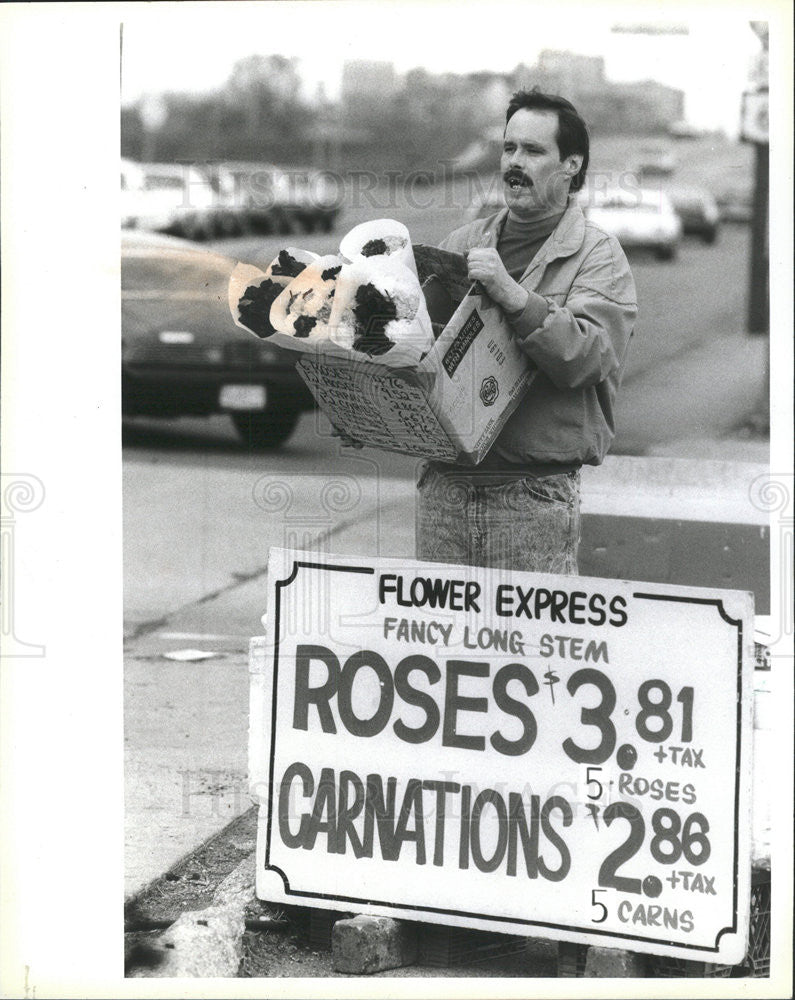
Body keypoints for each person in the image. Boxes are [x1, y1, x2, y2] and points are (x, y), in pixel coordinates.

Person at [414, 88, 637, 575]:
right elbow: (415, 349)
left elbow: (588, 358)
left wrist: (513, 295)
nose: (515, 162)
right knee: (440, 643)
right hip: (444, 488)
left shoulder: (598, 256)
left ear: (571, 165)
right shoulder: (462, 243)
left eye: (533, 151)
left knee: (529, 648)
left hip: (532, 497)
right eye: (509, 148)